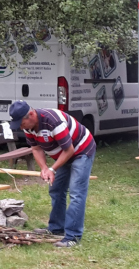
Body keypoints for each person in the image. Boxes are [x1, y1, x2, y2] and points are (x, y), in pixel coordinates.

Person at [8, 100, 95, 248]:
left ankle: (73, 236)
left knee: (76, 192)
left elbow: (70, 150)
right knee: (56, 189)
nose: (20, 127)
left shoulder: (53, 122)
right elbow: (36, 149)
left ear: (31, 114)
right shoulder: (28, 127)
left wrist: (53, 169)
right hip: (64, 153)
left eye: (21, 123)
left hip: (81, 151)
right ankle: (56, 229)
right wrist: (44, 168)